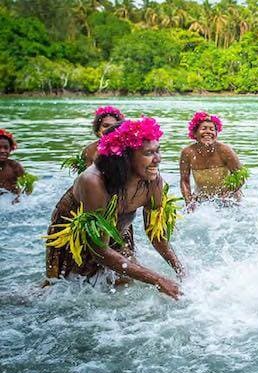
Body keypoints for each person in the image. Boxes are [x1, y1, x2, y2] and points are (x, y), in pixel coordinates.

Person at [45, 117, 184, 299]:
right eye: (149, 153)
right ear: (124, 156)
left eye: (158, 151)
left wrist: (181, 271)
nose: (158, 159)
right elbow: (99, 250)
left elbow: (156, 236)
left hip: (119, 228)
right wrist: (157, 279)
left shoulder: (153, 181)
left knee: (123, 282)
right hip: (75, 236)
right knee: (64, 290)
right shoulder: (94, 182)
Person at [179, 111, 247, 208]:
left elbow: (240, 177)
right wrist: (189, 203)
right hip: (201, 200)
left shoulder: (225, 151)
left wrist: (225, 195)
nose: (208, 132)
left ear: (216, 134)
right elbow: (184, 181)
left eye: (212, 129)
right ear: (194, 133)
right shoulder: (187, 153)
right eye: (203, 128)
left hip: (230, 200)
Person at [63, 106, 125, 174]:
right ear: (98, 130)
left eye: (114, 126)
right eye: (105, 126)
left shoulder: (127, 149)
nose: (110, 129)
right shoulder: (89, 150)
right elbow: (85, 177)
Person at [0, 129, 25, 197]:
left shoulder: (15, 167)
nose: (2, 151)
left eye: (6, 148)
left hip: (12, 203)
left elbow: (26, 187)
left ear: (10, 149)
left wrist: (18, 198)